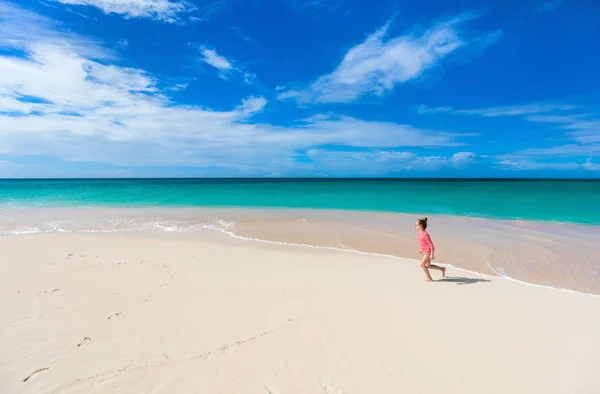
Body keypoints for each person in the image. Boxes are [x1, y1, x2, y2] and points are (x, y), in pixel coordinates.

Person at [415, 217, 445, 282]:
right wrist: (421, 249)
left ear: (420, 225)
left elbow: (431, 244)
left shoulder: (425, 234)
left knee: (422, 264)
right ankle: (442, 269)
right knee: (428, 266)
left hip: (428, 252)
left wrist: (432, 254)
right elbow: (423, 243)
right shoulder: (420, 233)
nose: (415, 226)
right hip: (425, 251)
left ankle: (429, 278)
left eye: (416, 225)